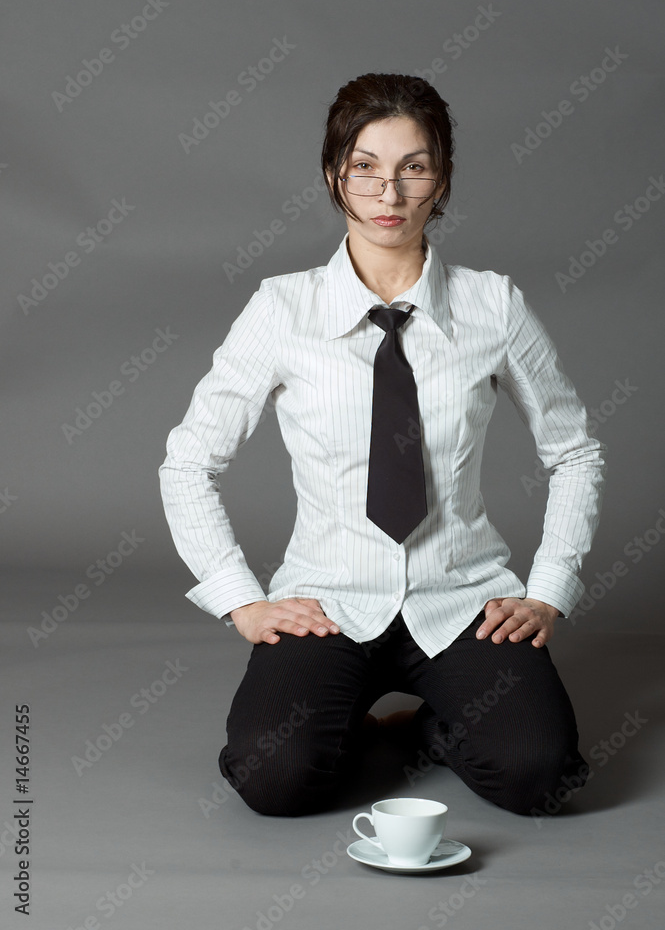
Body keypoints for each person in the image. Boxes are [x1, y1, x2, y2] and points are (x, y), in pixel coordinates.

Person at [159, 72, 607, 819]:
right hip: (328, 602)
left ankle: (431, 728)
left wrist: (548, 591)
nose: (388, 192)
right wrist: (241, 602)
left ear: (442, 179)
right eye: (364, 166)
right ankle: (348, 725)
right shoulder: (282, 309)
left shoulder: (492, 305)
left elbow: (574, 452)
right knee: (273, 776)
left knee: (540, 775)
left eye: (413, 167)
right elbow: (189, 462)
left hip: (463, 599)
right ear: (333, 174)